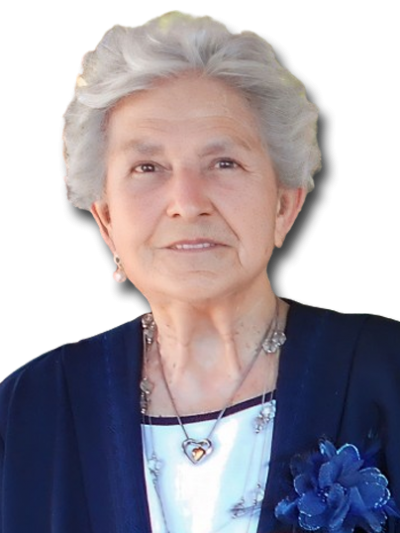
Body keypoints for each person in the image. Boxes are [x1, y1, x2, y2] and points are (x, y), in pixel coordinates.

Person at [1, 9, 400, 533]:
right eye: (147, 167)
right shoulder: (31, 406)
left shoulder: (387, 370)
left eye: (224, 163)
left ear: (285, 205)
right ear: (106, 220)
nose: (187, 203)